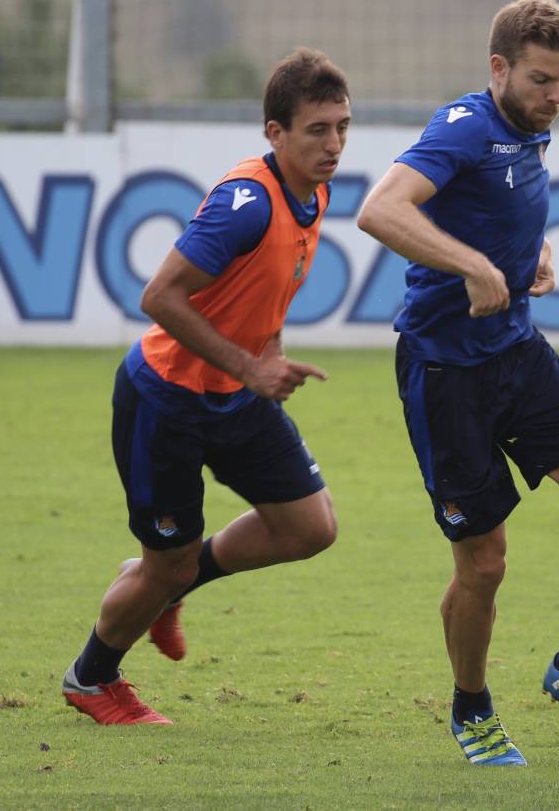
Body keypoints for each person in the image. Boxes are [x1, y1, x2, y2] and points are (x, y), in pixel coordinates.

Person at [356, 0, 559, 766]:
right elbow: (380, 211)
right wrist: (473, 264)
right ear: (498, 69)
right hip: (447, 374)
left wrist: (530, 254)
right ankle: (473, 709)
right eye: (541, 80)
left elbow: (500, 204)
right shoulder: (464, 127)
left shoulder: (527, 130)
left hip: (518, 353)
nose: (555, 96)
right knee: (484, 564)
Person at [61, 48, 350, 725]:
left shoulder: (316, 191)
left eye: (341, 126)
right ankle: (90, 678)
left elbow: (260, 293)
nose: (333, 143)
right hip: (166, 400)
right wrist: (251, 367)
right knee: (162, 563)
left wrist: (265, 355)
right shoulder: (244, 203)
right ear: (275, 134)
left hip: (236, 396)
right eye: (317, 130)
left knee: (311, 527)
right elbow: (159, 297)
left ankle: (175, 581)